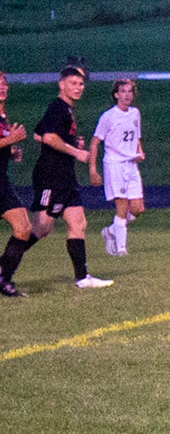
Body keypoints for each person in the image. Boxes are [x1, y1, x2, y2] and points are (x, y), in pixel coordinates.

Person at [29, 65, 111, 289]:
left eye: (81, 84)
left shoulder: (66, 110)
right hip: (51, 175)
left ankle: (82, 277)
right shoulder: (57, 107)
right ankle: (5, 265)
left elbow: (38, 133)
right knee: (41, 228)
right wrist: (75, 151)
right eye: (73, 83)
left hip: (65, 175)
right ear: (61, 84)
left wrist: (71, 142)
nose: (78, 87)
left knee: (78, 222)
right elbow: (47, 137)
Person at [89, 78, 145, 257]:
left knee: (137, 209)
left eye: (129, 91)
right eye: (123, 91)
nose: (127, 95)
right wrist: (93, 169)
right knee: (121, 206)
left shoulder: (135, 113)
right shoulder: (108, 116)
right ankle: (121, 249)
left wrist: (139, 151)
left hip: (131, 164)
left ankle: (111, 230)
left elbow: (136, 137)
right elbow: (95, 142)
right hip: (114, 165)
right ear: (116, 95)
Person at [0, 71, 33, 298]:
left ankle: (4, 278)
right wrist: (11, 140)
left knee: (23, 228)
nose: (2, 87)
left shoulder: (3, 117)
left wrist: (11, 152)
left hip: (2, 182)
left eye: (4, 84)